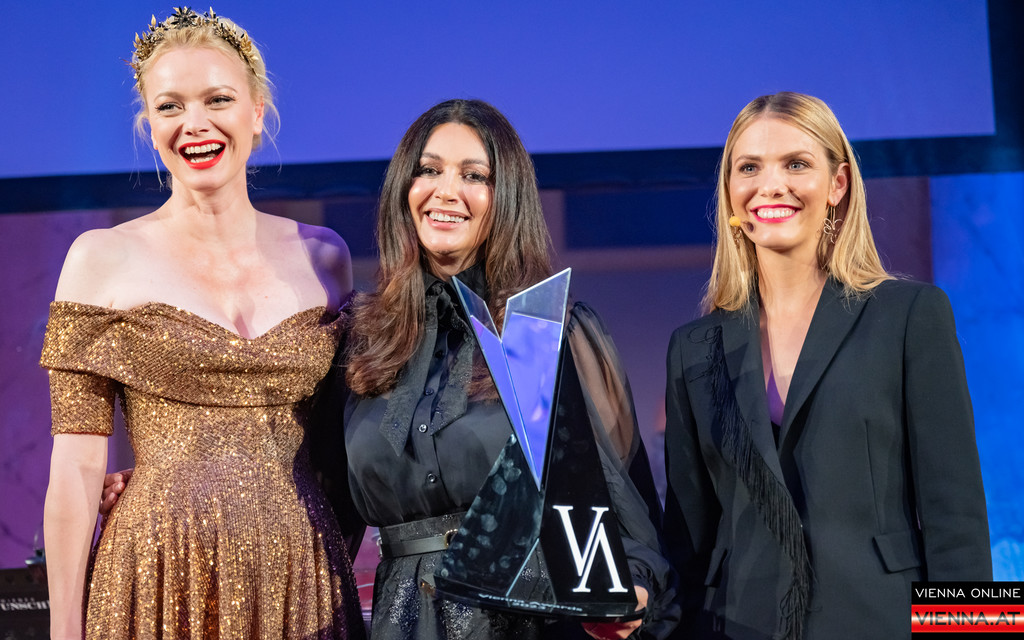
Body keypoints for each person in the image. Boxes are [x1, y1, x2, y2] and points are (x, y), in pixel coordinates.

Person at [40, 8, 364, 639]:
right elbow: (75, 471)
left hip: (300, 574)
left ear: (257, 112)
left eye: (218, 99)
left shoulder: (324, 256)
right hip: (155, 574)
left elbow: (340, 446)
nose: (195, 123)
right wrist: (64, 631)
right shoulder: (100, 258)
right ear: (149, 125)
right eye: (170, 106)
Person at [330, 98, 677, 639]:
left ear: (507, 197)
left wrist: (629, 591)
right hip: (402, 621)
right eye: (429, 170)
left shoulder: (544, 331)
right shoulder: (365, 339)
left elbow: (621, 507)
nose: (446, 191)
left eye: (474, 176)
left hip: (526, 623)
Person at [662, 92, 991, 640]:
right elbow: (687, 538)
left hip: (880, 622)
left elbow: (957, 517)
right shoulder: (692, 346)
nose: (771, 185)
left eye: (796, 164)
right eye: (749, 168)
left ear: (838, 184)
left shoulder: (911, 314)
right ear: (730, 191)